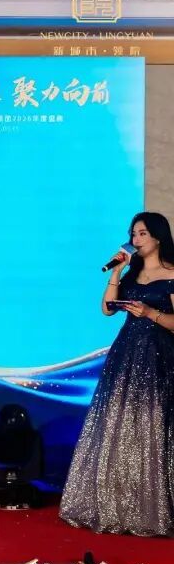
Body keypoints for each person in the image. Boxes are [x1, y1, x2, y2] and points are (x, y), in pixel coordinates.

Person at [60, 211, 174, 536]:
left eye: (142, 234)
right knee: (120, 425)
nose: (135, 240)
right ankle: (118, 505)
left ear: (158, 238)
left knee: (154, 424)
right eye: (133, 234)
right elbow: (107, 309)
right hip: (126, 356)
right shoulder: (131, 273)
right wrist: (117, 271)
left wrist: (150, 313)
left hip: (159, 356)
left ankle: (154, 508)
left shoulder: (171, 274)